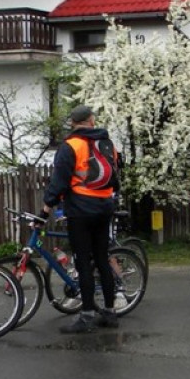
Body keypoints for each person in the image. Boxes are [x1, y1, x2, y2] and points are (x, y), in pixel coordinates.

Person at [42, 105, 121, 334]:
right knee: (102, 259)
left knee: (83, 263)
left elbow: (59, 182)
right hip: (104, 207)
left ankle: (86, 316)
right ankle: (110, 312)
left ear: (73, 123)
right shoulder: (107, 144)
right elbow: (116, 175)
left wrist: (45, 209)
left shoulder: (71, 146)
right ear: (91, 121)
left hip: (81, 210)